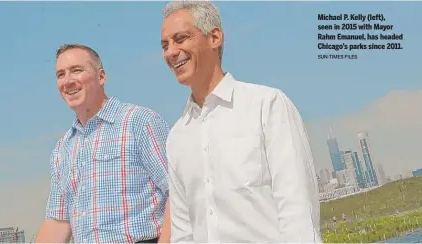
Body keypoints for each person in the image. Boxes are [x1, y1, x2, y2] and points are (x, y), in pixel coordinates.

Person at [160, 1, 322, 243]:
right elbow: (183, 233)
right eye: (165, 45)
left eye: (181, 39)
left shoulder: (267, 106)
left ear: (215, 37)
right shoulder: (177, 137)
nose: (171, 52)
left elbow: (297, 210)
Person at [35, 44, 170, 243]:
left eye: (76, 70)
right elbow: (57, 223)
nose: (68, 81)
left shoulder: (139, 121)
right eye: (60, 75)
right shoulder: (62, 150)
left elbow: (179, 192)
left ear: (101, 77)